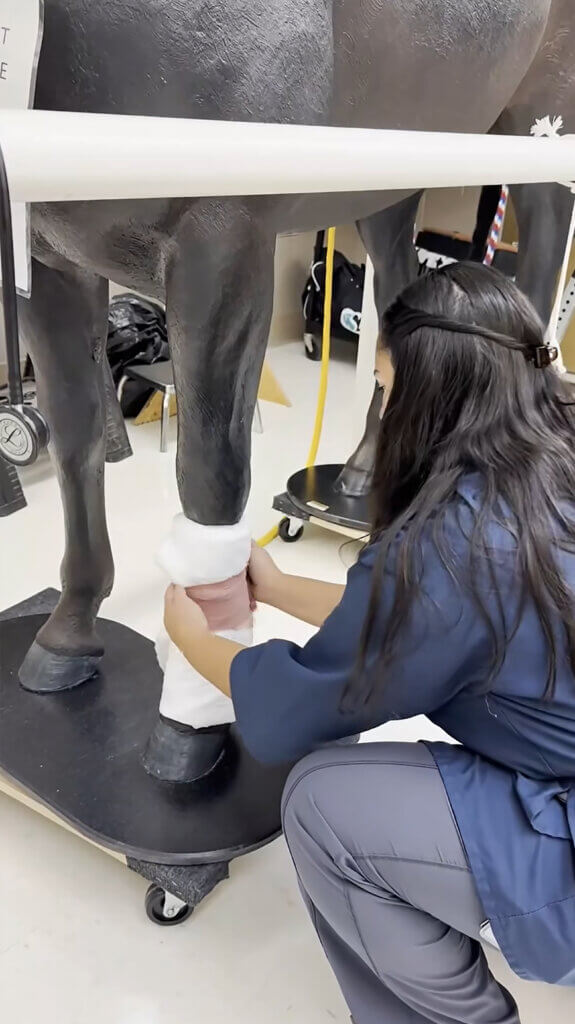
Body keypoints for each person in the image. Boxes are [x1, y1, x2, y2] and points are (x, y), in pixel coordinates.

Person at [164, 262, 575, 1024]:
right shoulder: (551, 454)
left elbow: (296, 711)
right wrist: (281, 588)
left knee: (325, 800)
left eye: (384, 386)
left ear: (431, 394)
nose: (382, 406)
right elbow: (415, 626)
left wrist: (191, 639)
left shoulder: (454, 545)